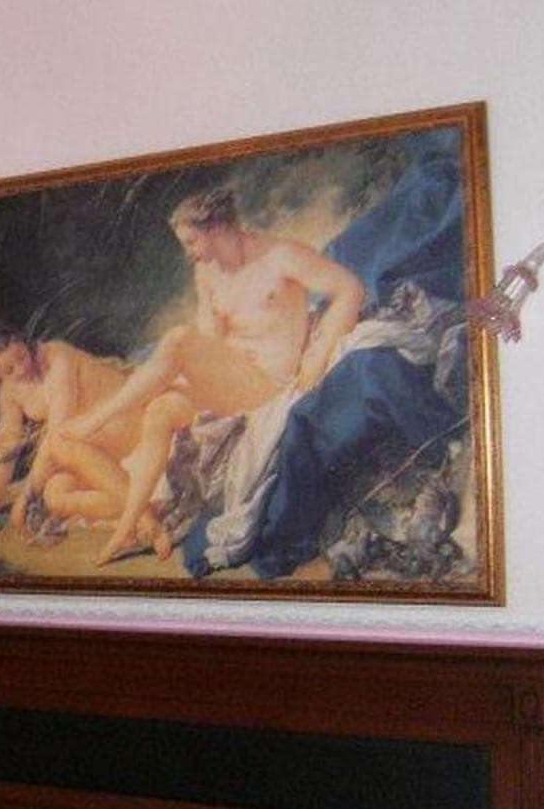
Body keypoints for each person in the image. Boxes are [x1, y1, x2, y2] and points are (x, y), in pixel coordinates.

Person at [58, 188, 367, 563]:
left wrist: (318, 354)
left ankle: (97, 419)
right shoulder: (206, 273)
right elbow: (209, 341)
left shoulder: (281, 256)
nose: (189, 253)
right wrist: (185, 376)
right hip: (230, 382)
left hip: (267, 384)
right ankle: (130, 528)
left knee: (178, 338)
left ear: (217, 228)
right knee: (161, 410)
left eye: (191, 241)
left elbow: (350, 288)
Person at [0, 327, 177, 553]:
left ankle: (147, 520)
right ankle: (145, 506)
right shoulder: (9, 392)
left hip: (125, 422)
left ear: (25, 343)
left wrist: (26, 496)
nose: (22, 369)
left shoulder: (57, 356)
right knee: (55, 495)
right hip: (90, 447)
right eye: (9, 370)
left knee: (59, 445)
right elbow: (5, 447)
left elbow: (58, 433)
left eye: (22, 357)